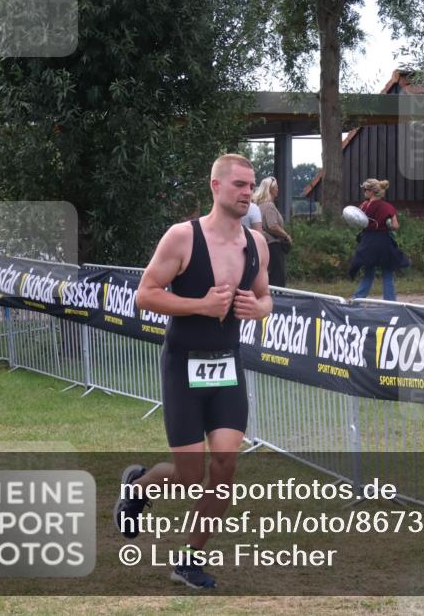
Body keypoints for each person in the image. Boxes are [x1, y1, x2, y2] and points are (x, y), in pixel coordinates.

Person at [114, 153, 272, 589]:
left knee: (224, 465)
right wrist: (201, 305)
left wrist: (256, 308)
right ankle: (140, 486)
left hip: (227, 366)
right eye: (239, 184)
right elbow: (145, 295)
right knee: (189, 477)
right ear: (216, 187)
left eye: (251, 184)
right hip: (183, 368)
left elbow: (266, 298)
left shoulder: (256, 244)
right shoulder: (182, 238)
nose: (247, 192)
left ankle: (190, 560)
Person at [349, 179, 409, 300]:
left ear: (372, 191)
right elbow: (395, 226)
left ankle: (358, 299)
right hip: (383, 242)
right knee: (387, 273)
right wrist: (388, 224)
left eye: (366, 189)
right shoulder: (388, 207)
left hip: (368, 242)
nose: (364, 192)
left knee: (368, 273)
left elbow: (357, 222)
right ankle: (391, 302)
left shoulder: (363, 206)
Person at [255, 177, 292, 288]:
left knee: (269, 276)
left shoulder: (259, 206)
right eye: (276, 188)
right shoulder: (269, 206)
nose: (278, 190)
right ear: (270, 189)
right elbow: (272, 226)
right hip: (274, 245)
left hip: (265, 245)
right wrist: (286, 235)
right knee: (278, 277)